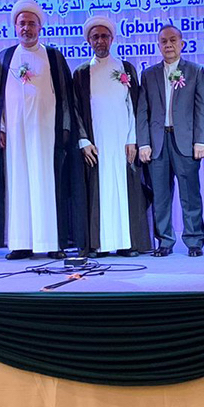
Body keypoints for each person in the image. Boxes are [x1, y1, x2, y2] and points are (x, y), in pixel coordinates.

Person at [0, 0, 78, 260]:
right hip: (15, 135)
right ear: (15, 26)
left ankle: (51, 242)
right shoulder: (5, 57)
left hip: (46, 133)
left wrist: (64, 130)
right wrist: (0, 129)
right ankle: (21, 243)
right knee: (18, 184)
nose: (26, 28)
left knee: (46, 183)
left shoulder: (53, 56)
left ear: (40, 27)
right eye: (22, 23)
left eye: (31, 23)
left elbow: (65, 96)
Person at [72, 15, 152, 257]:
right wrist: (84, 141)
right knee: (100, 191)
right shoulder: (81, 73)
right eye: (95, 37)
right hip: (96, 144)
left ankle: (127, 244)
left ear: (112, 39)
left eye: (104, 36)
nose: (100, 41)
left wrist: (132, 139)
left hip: (122, 142)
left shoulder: (125, 68)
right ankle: (100, 244)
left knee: (124, 190)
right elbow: (75, 110)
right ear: (88, 41)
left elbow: (133, 106)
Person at [137, 25, 204, 258]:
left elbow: (201, 108)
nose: (168, 45)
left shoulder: (195, 71)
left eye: (172, 40)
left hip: (186, 142)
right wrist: (144, 143)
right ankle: (165, 241)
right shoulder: (148, 74)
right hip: (158, 142)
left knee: (190, 194)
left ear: (181, 44)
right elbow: (142, 111)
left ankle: (194, 240)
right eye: (164, 41)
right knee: (160, 195)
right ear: (158, 45)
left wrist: (201, 140)